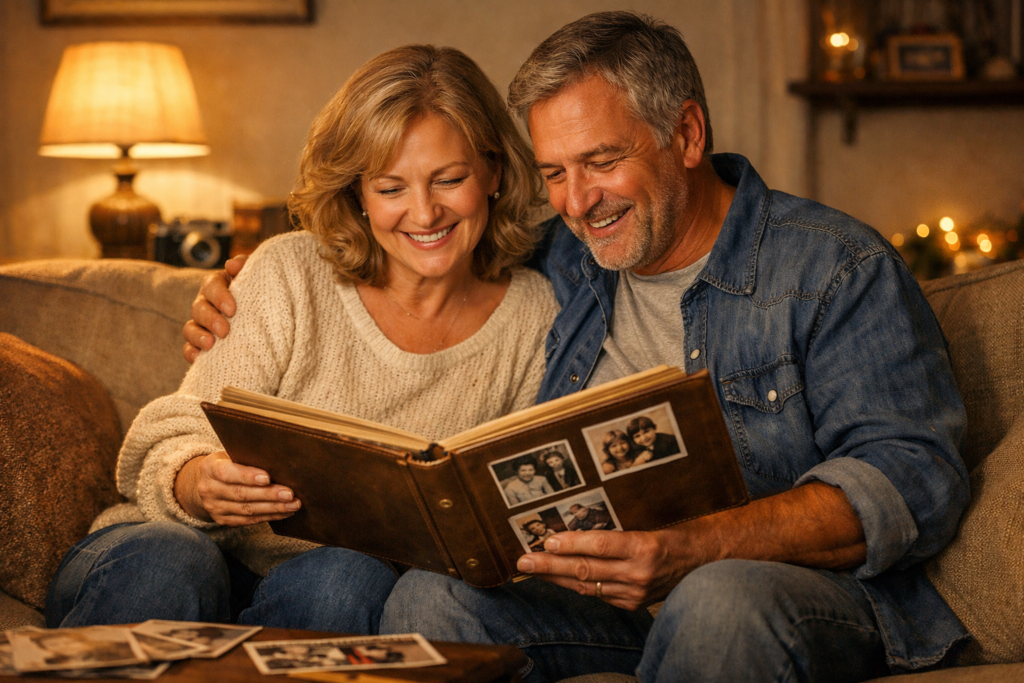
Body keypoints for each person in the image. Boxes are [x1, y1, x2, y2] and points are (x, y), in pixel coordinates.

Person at [184, 12, 970, 683]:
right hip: (598, 597)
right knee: (429, 596)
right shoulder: (564, 253)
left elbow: (912, 479)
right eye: (554, 172)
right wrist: (256, 275)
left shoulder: (831, 267)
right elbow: (430, 232)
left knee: (717, 599)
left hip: (788, 593)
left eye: (602, 162)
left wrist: (687, 549)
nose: (578, 201)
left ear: (686, 133)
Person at [45, 44, 558, 637]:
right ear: (357, 194)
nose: (424, 213)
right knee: (173, 561)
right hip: (163, 549)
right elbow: (171, 433)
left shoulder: (533, 316)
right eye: (391, 188)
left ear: (493, 173)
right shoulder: (290, 272)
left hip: (325, 589)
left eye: (449, 179)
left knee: (345, 578)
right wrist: (196, 480)